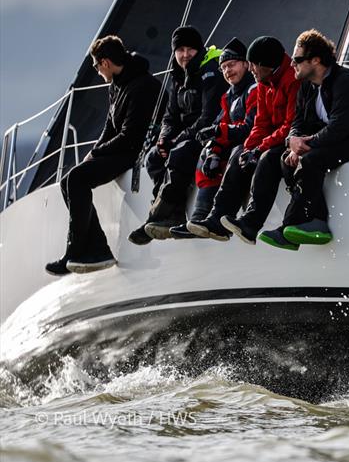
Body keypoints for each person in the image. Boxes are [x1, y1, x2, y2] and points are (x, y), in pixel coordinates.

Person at [224, 29, 349, 250]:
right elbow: (298, 122)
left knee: (309, 160)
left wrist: (306, 143)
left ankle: (292, 226)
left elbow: (341, 127)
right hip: (329, 140)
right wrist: (293, 141)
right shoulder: (308, 85)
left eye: (298, 60)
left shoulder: (347, 81)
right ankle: (310, 221)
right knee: (281, 159)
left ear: (316, 60)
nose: (291, 64)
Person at [46, 36, 160, 275]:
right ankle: (96, 249)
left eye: (96, 66)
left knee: (77, 179)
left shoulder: (143, 86)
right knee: (69, 179)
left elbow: (131, 137)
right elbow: (109, 127)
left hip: (133, 152)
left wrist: (98, 152)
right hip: (120, 149)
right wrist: (92, 153)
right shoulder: (116, 84)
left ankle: (78, 251)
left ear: (106, 62)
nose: (97, 71)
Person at [187, 36, 299, 243]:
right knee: (240, 152)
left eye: (253, 65)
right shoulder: (264, 81)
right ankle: (216, 219)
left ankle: (250, 223)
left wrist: (258, 149)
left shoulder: (291, 79)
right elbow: (261, 123)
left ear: (265, 64)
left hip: (289, 139)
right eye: (224, 67)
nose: (252, 70)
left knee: (265, 158)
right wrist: (249, 148)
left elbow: (289, 125)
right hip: (273, 138)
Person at [128, 25, 227, 244]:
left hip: (205, 135)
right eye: (180, 50)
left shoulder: (211, 71)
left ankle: (154, 218)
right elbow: (170, 116)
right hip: (184, 136)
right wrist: (164, 138)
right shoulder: (177, 76)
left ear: (198, 49)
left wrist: (177, 140)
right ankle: (173, 214)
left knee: (180, 153)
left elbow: (209, 116)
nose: (184, 55)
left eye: (190, 49)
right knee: (153, 158)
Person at [169, 37, 258, 238]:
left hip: (249, 144)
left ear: (246, 64)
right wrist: (214, 150)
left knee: (231, 152)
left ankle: (217, 218)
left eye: (232, 65)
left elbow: (250, 127)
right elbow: (220, 124)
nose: (228, 71)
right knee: (207, 152)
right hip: (235, 142)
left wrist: (219, 134)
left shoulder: (253, 89)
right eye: (224, 67)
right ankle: (199, 218)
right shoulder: (228, 96)